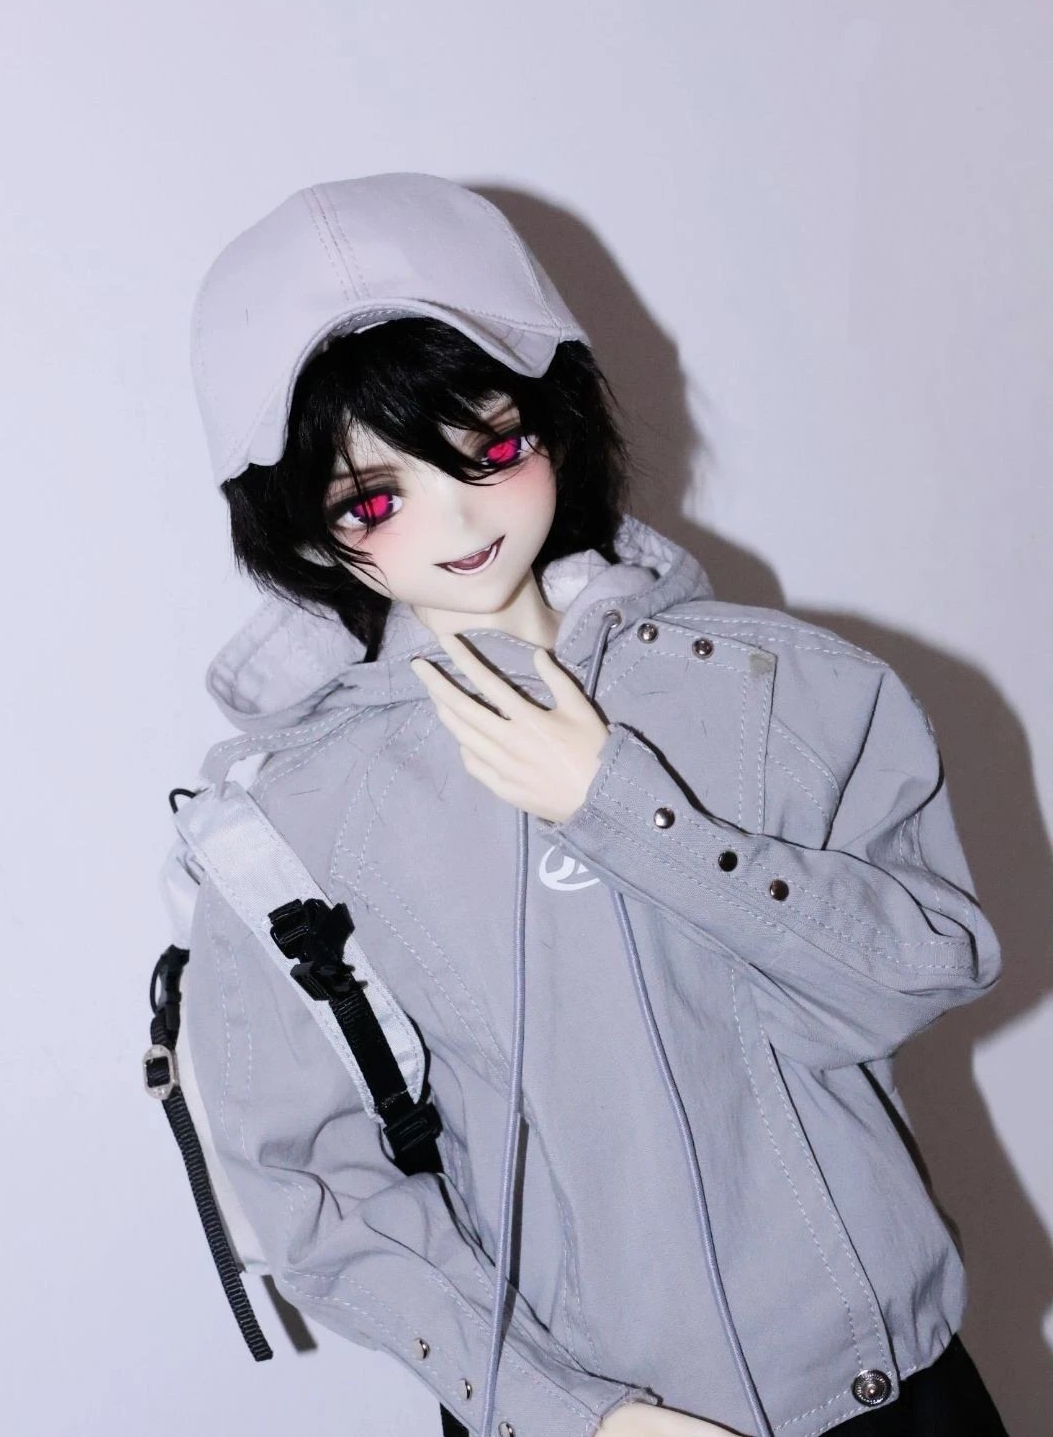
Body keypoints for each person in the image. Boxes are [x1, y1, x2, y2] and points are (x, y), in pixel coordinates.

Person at [175, 172, 1010, 1437]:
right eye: (373, 499)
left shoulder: (784, 689)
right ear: (298, 523)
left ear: (557, 418)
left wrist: (629, 812)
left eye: (488, 447)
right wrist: (566, 1411)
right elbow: (313, 1189)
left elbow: (918, 971)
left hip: (888, 1389)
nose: (457, 515)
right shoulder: (289, 819)